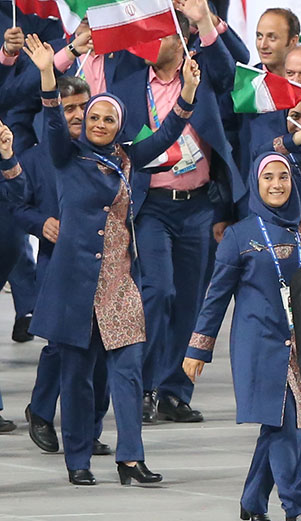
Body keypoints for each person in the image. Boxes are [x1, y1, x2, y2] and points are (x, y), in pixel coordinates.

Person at [23, 34, 197, 487]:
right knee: (78, 379)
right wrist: (47, 74)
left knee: (127, 371)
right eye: (92, 117)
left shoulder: (127, 156)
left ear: (119, 125)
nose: (97, 123)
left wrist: (188, 94)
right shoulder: (67, 155)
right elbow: (54, 124)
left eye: (107, 118)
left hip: (121, 282)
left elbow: (165, 135)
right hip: (78, 285)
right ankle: (77, 458)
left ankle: (130, 458)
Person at [184, 151, 301, 521]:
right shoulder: (238, 235)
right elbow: (216, 297)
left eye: (283, 177)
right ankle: (297, 507)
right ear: (255, 184)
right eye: (268, 178)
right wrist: (198, 349)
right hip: (258, 345)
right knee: (284, 428)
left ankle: (252, 499)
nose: (277, 184)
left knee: (278, 426)